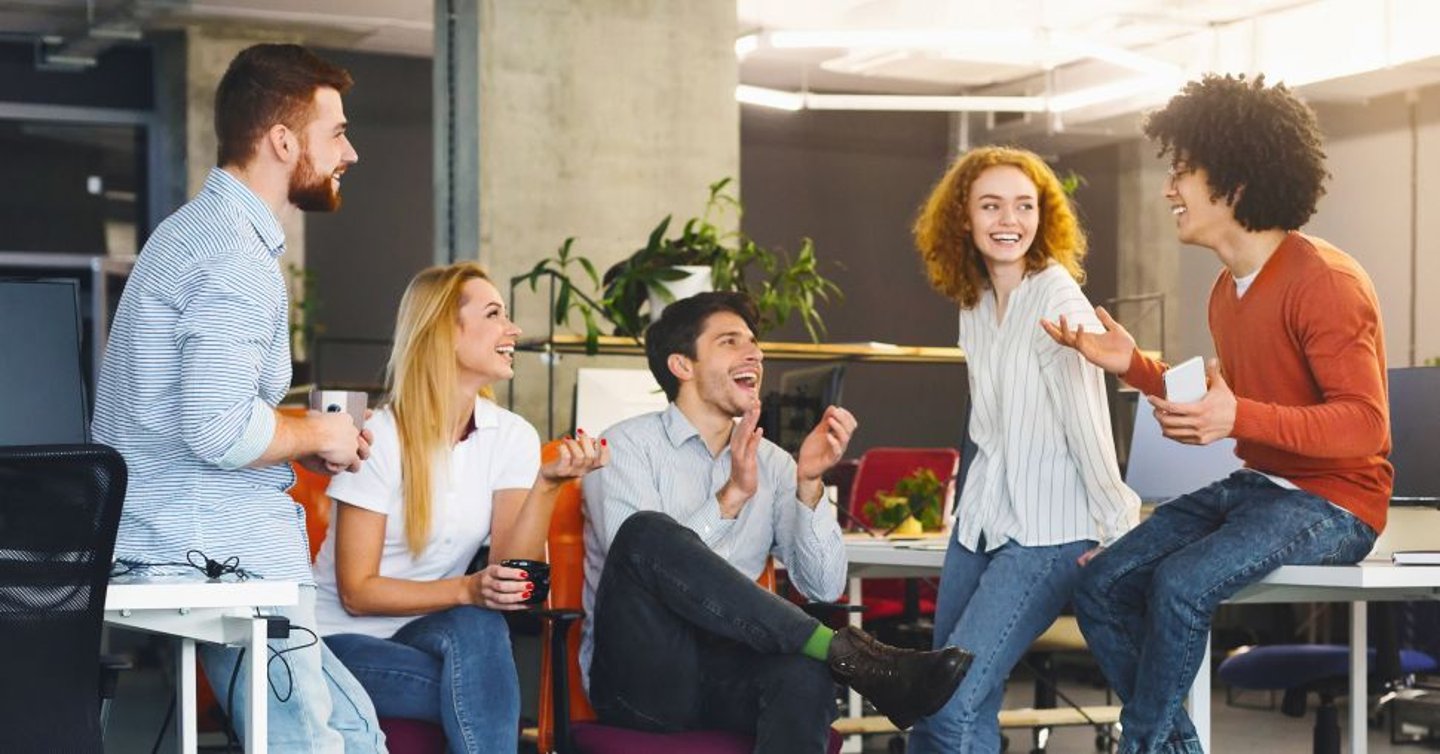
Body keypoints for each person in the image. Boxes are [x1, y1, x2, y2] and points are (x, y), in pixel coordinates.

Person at [1043, 74, 1390, 754]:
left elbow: (1364, 426)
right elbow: (1224, 400)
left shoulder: (1325, 282)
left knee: (1178, 585)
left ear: (1233, 183)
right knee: (1104, 584)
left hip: (1337, 503)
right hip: (1263, 489)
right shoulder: (1226, 292)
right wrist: (1133, 366)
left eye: (1183, 172)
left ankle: (1141, 744)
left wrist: (1241, 420)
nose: (1170, 189)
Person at [92, 44, 383, 751]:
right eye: (337, 132)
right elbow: (219, 428)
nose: (352, 153)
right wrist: (318, 435)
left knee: (356, 732)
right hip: (216, 555)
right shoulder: (232, 257)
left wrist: (297, 437)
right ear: (283, 141)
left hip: (202, 544)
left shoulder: (196, 235)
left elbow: (206, 414)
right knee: (312, 745)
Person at [581, 291, 973, 753]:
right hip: (644, 681)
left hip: (727, 674)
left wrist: (809, 482)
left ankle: (846, 657)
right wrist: (731, 498)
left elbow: (824, 586)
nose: (755, 353)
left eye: (754, 342)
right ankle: (855, 657)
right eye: (730, 342)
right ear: (682, 366)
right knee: (645, 532)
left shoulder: (773, 462)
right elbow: (641, 559)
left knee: (804, 676)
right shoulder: (623, 447)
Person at [311, 261, 608, 754]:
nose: (513, 330)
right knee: (482, 690)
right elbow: (357, 593)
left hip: (426, 631)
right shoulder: (379, 437)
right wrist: (469, 589)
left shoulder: (511, 435)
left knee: (481, 623)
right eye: (494, 314)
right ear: (444, 332)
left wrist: (548, 485)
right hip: (338, 642)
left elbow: (509, 579)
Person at [906, 146, 1140, 752]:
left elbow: (1089, 424)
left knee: (949, 705)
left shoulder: (1057, 299)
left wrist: (1117, 525)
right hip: (982, 523)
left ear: (1043, 216)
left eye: (1023, 206)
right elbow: (989, 430)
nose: (1007, 220)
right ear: (964, 217)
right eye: (990, 205)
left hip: (1049, 531)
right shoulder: (976, 303)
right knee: (951, 701)